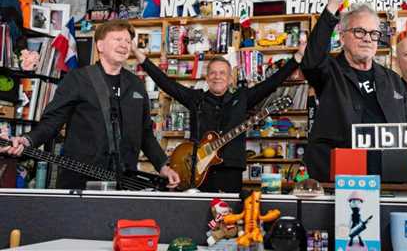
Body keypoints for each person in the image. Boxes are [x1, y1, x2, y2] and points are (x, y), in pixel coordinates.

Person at [0, 20, 180, 190]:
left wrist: (163, 166)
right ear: (100, 46)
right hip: (80, 181)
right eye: (118, 39)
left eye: (128, 40)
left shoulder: (136, 85)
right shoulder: (78, 79)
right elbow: (52, 122)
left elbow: (145, 133)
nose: (125, 44)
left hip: (124, 181)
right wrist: (27, 140)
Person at [132, 40, 305, 193]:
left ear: (230, 79)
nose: (217, 77)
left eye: (222, 73)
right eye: (213, 73)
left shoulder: (242, 98)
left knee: (226, 221)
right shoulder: (195, 99)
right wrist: (141, 57)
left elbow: (271, 83)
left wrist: (297, 57)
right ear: (207, 78)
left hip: (230, 172)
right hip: (196, 172)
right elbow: (166, 83)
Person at [301, 0, 407, 182]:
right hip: (340, 178)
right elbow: (311, 61)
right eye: (359, 31)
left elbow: (406, 132)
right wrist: (333, 4)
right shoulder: (329, 72)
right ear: (342, 37)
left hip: (389, 179)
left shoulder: (393, 80)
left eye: (373, 33)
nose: (367, 39)